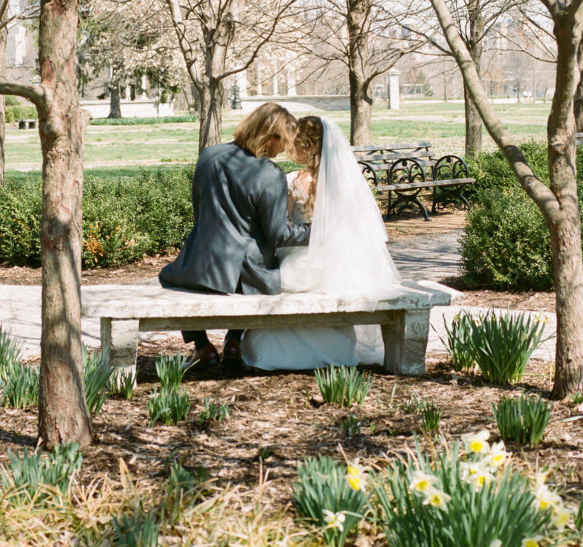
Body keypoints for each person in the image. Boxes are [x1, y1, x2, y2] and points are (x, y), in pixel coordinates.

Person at [239, 115, 403, 370]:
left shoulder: (293, 180)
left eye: (295, 143)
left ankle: (274, 354)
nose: (290, 149)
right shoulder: (347, 182)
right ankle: (335, 351)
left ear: (308, 145)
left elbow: (280, 230)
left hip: (300, 263)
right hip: (338, 263)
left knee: (277, 280)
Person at [159, 102, 311, 368]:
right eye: (283, 142)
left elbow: (200, 211)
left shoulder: (209, 156)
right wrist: (317, 231)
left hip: (200, 265)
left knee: (168, 276)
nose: (283, 150)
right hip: (248, 275)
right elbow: (277, 235)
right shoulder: (269, 173)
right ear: (270, 136)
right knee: (262, 272)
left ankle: (202, 346)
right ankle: (234, 340)